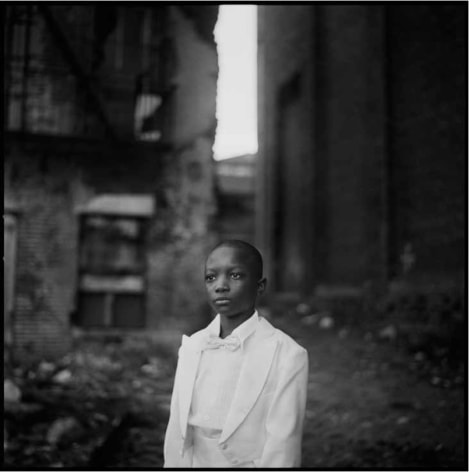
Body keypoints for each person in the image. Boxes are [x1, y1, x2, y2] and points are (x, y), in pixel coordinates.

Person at [163, 240, 309, 468]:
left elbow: (283, 445)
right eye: (211, 277)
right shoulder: (192, 347)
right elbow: (176, 430)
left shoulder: (288, 355)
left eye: (235, 276)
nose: (220, 286)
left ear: (260, 286)